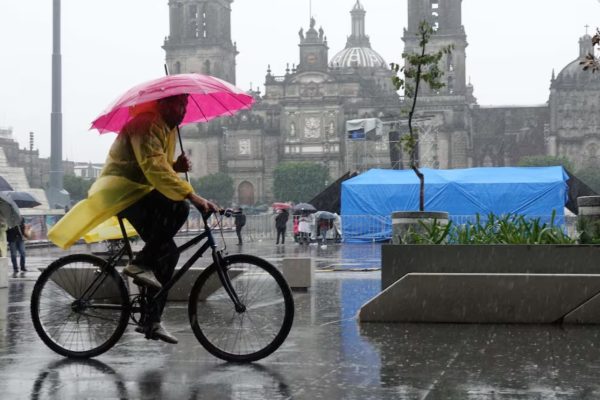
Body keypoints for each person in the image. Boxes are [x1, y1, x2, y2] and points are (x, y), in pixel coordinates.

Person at [48, 94, 218, 344]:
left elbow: (157, 165)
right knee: (180, 208)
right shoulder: (147, 123)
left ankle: (152, 319)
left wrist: (175, 167)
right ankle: (140, 264)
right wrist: (194, 197)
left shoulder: (167, 129)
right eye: (177, 104)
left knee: (167, 253)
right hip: (121, 190)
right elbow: (152, 168)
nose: (183, 110)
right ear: (163, 104)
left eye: (185, 105)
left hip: (138, 190)